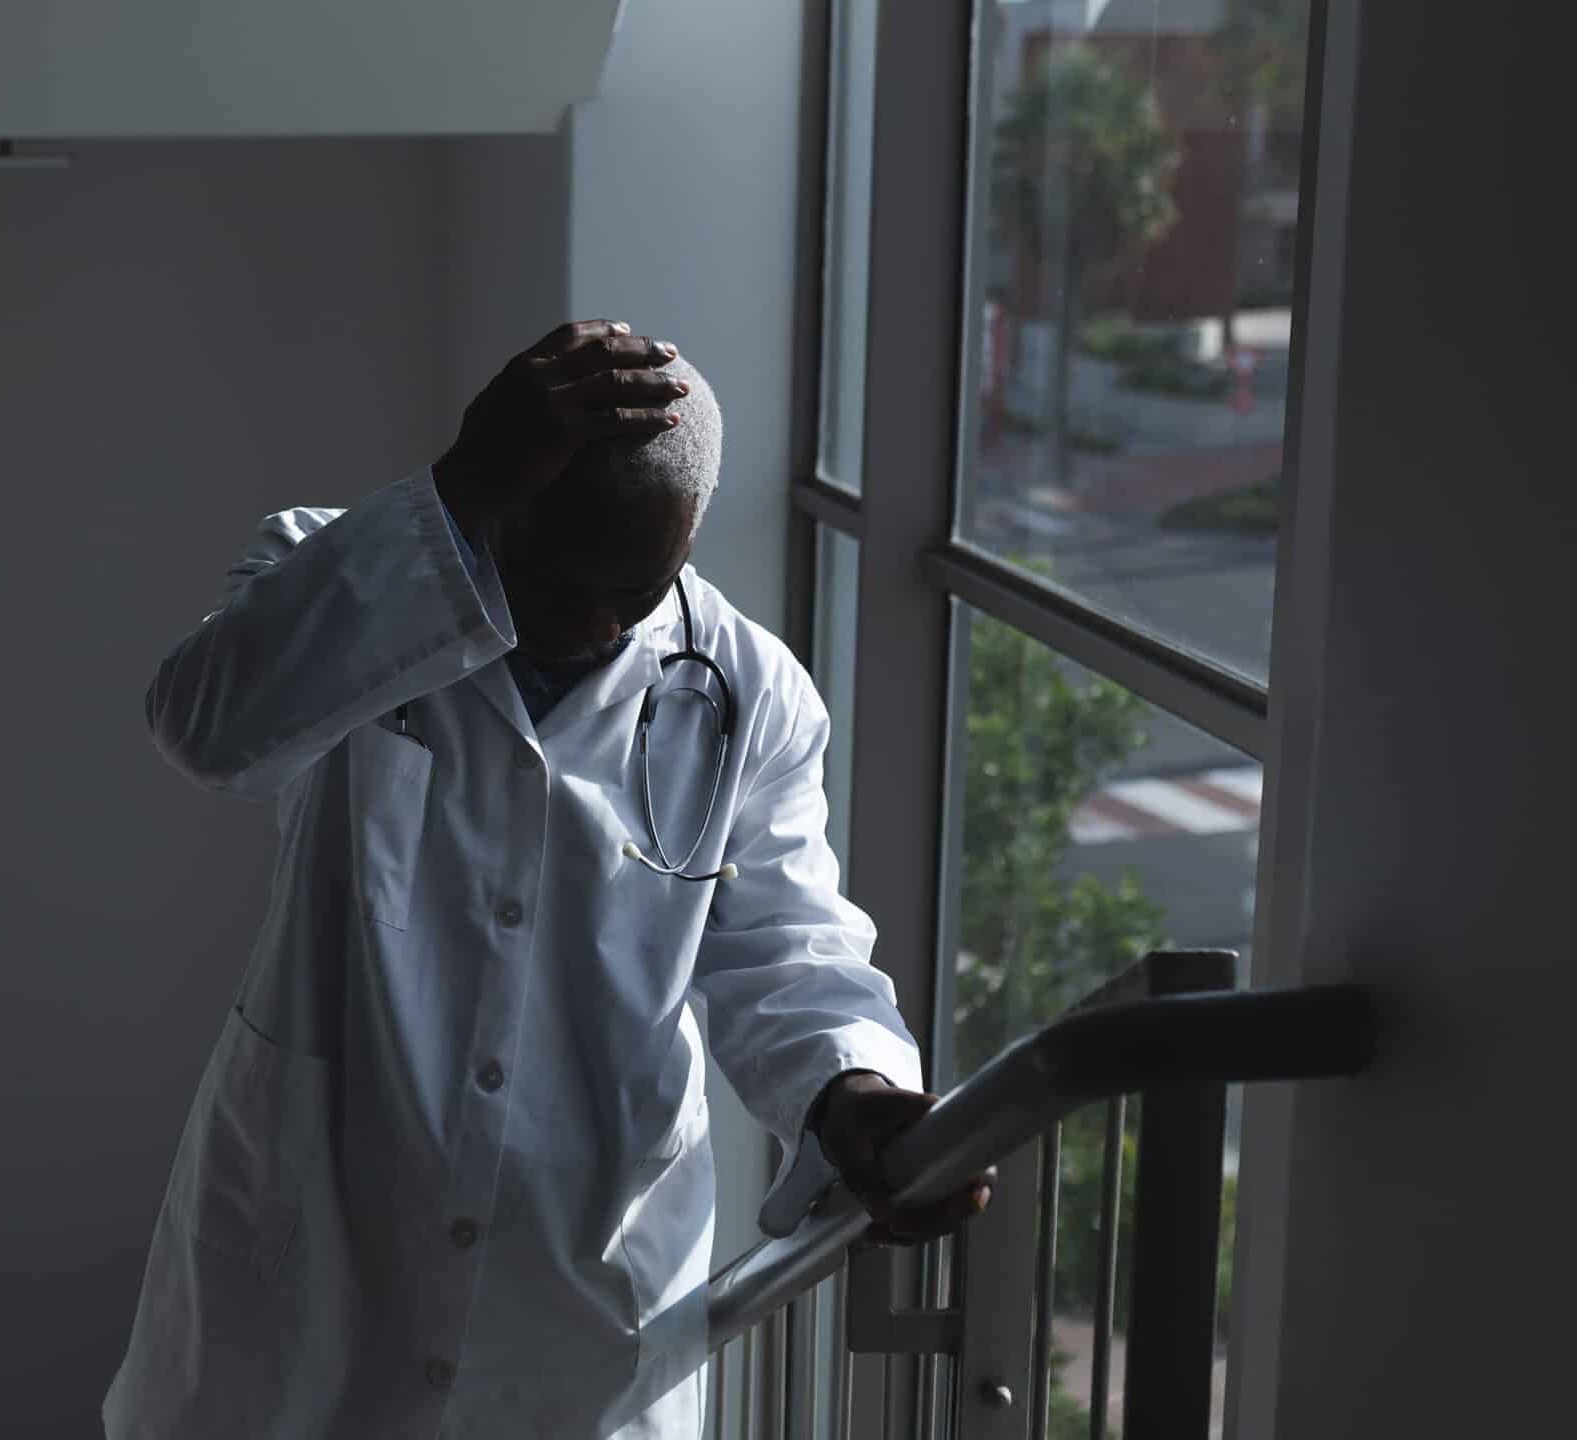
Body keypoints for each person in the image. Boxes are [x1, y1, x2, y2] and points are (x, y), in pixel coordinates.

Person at [106, 321, 994, 1438]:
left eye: (634, 589)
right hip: (308, 1300)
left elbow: (783, 947)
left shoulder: (748, 693)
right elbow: (206, 727)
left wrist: (853, 1092)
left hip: (581, 1330)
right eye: (558, 575)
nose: (590, 623)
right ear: (499, 489)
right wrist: (450, 495)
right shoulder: (338, 572)